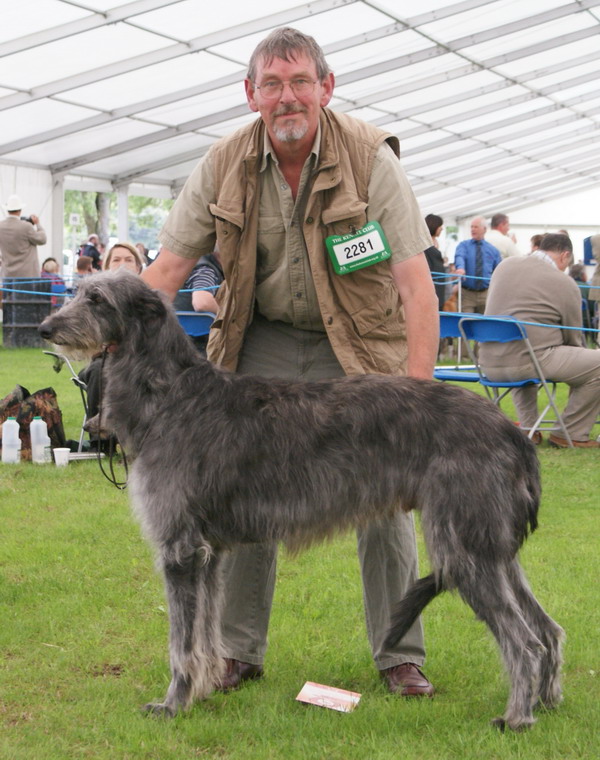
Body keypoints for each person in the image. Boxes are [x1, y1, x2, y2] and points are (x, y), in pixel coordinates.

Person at [143, 27, 439, 698]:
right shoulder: (221, 162)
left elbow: (414, 284)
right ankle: (238, 650)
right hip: (262, 336)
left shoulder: (370, 158)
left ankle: (399, 654)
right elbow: (166, 270)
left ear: (326, 88)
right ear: (251, 95)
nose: (287, 97)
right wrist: (111, 338)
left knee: (386, 490)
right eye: (271, 84)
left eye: (300, 81)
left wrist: (416, 397)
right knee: (240, 485)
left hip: (358, 343)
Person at [480, 233, 600, 449]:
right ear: (564, 256)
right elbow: (573, 336)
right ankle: (569, 432)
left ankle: (530, 429)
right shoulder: (564, 282)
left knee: (523, 347)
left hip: (488, 363)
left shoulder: (504, 266)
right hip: (529, 361)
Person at [78, 242, 145, 449]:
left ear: (139, 267)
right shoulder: (92, 300)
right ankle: (101, 444)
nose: (122, 264)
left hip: (143, 361)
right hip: (104, 359)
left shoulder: (149, 297)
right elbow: (86, 338)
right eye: (116, 260)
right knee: (99, 370)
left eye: (128, 260)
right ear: (106, 266)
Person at [173, 251, 224, 353]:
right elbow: (202, 302)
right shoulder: (205, 270)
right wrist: (230, 316)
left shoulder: (190, 262)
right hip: (196, 346)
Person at [454, 216, 502, 313]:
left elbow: (499, 270)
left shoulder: (493, 250)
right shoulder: (463, 245)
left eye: (476, 227)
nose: (473, 229)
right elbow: (460, 257)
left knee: (483, 323)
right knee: (465, 322)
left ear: (484, 229)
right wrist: (460, 268)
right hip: (467, 294)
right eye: (471, 227)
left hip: (485, 294)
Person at [0, 194, 47, 278]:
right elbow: (42, 239)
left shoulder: (1, 226)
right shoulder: (26, 226)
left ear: (7, 210)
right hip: (26, 276)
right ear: (20, 210)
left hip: (7, 275)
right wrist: (38, 224)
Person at [423, 214, 446, 312]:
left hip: (439, 284)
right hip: (432, 284)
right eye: (440, 226)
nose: (442, 228)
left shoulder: (435, 242)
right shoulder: (425, 244)